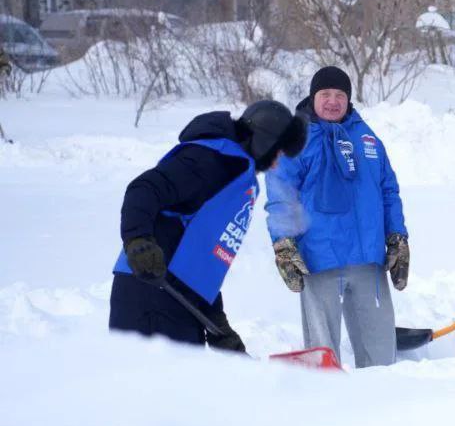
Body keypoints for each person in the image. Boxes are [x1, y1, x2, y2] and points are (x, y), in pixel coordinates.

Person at [109, 100, 308, 352]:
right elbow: (144, 189)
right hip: (148, 292)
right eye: (278, 153)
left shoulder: (234, 174)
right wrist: (138, 241)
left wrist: (217, 324)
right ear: (264, 141)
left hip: (178, 301)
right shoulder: (207, 159)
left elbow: (202, 260)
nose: (277, 164)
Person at [265, 67, 409, 368]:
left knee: (381, 352)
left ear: (349, 99)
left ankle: (383, 405)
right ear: (313, 97)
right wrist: (283, 242)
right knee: (323, 354)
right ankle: (326, 408)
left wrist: (397, 237)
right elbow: (280, 194)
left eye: (340, 95)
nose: (333, 101)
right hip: (319, 257)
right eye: (325, 94)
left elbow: (388, 191)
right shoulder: (296, 140)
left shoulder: (367, 138)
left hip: (367, 258)